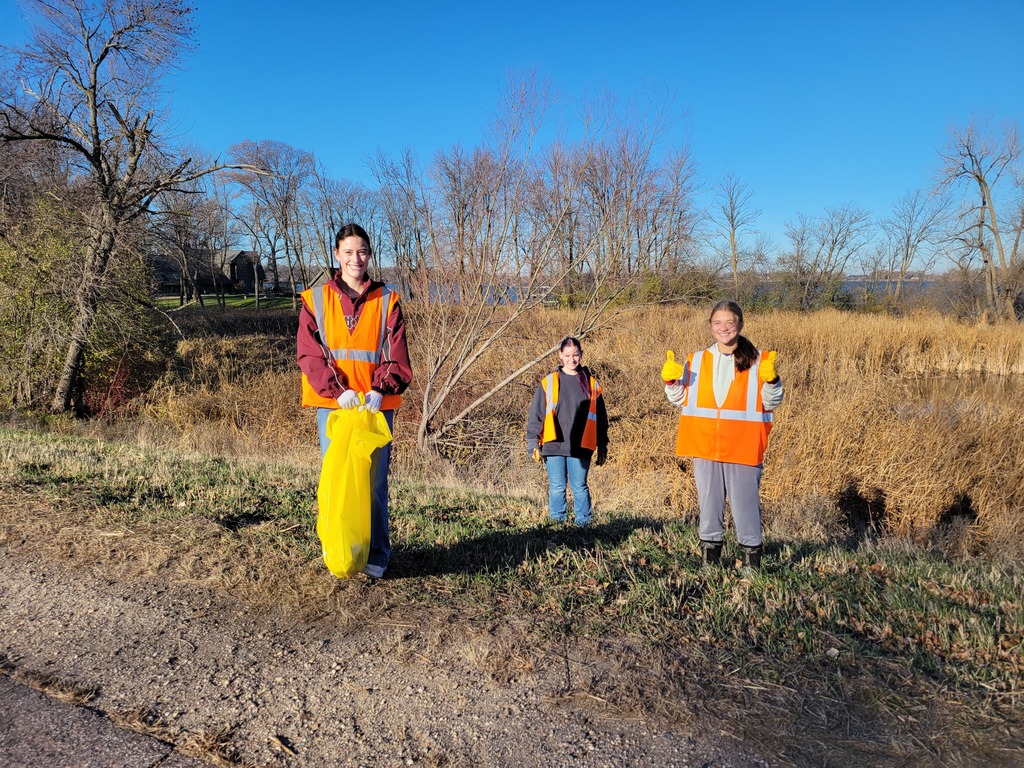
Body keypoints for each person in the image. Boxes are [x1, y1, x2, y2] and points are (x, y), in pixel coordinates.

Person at [296, 223, 412, 579]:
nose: (355, 258)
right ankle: (343, 547)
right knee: (339, 479)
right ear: (337, 255)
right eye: (348, 252)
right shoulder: (315, 300)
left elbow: (398, 357)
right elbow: (308, 354)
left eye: (361, 251)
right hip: (334, 406)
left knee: (375, 482)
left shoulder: (387, 300)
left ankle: (376, 551)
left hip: (374, 408)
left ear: (370, 254)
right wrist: (337, 390)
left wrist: (381, 388)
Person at [661, 300, 783, 568]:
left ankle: (751, 566)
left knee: (745, 506)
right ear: (710, 326)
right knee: (709, 506)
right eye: (718, 323)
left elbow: (772, 402)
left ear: (740, 324)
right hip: (704, 445)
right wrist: (671, 382)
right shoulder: (696, 359)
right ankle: (710, 564)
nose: (724, 328)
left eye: (729, 322)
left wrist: (773, 381)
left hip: (744, 445)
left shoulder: (760, 360)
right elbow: (680, 398)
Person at [525, 336, 609, 526]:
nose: (572, 360)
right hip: (553, 443)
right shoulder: (548, 382)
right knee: (557, 487)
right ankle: (557, 524)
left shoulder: (592, 384)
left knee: (579, 486)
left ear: (581, 355)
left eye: (576, 355)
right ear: (560, 356)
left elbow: (601, 419)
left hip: (581, 444)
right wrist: (533, 442)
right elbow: (536, 414)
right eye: (568, 355)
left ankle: (584, 524)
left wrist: (603, 444)